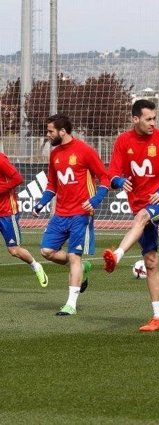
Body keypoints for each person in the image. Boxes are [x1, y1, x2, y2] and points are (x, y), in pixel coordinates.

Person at [102, 99, 159, 332]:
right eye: (148, 119)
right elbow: (112, 174)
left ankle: (117, 255)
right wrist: (119, 181)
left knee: (141, 217)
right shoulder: (123, 141)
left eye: (154, 119)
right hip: (140, 204)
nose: (153, 123)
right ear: (135, 119)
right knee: (150, 262)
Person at [33, 113, 110, 315]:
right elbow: (52, 185)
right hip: (60, 214)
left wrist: (95, 200)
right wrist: (41, 204)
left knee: (74, 256)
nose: (47, 134)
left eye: (50, 131)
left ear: (62, 131)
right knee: (46, 251)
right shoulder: (55, 154)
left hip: (81, 214)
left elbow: (105, 177)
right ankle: (82, 266)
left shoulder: (85, 150)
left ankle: (71, 305)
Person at [0, 153, 49, 287]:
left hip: (7, 212)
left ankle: (35, 266)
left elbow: (18, 179)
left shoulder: (1, 160)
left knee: (14, 250)